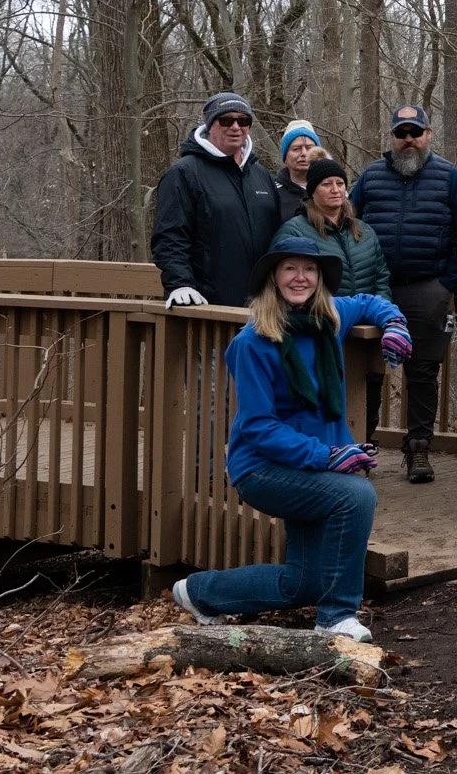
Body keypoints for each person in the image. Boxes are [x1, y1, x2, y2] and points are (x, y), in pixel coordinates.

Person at [170, 235, 412, 642]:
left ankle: (199, 592)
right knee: (356, 495)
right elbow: (258, 427)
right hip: (263, 469)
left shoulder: (329, 319)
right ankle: (336, 617)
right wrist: (328, 456)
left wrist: (395, 325)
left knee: (302, 585)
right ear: (273, 278)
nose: (301, 278)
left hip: (312, 464)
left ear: (320, 278)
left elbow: (371, 301)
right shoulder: (251, 344)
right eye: (290, 269)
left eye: (310, 269)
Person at [349, 104, 457, 481]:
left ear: (429, 134)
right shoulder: (371, 177)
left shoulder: (450, 178)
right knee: (369, 371)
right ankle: (362, 446)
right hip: (376, 289)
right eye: (401, 133)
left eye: (415, 132)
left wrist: (450, 283)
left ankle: (419, 449)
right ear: (392, 137)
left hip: (428, 287)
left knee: (423, 371)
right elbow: (347, 224)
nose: (408, 140)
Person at [152, 92, 282, 309]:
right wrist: (180, 283)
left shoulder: (261, 176)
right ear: (210, 125)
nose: (235, 126)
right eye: (226, 120)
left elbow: (278, 235)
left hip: (262, 306)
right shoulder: (184, 173)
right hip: (206, 304)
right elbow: (169, 236)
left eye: (243, 121)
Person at [273, 157, 392, 300]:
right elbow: (282, 281)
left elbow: (382, 278)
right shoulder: (294, 231)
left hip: (367, 319)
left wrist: (379, 310)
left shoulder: (365, 231)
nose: (335, 190)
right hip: (319, 318)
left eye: (340, 183)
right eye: (327, 184)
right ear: (312, 191)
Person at [275, 120, 321, 221]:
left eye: (309, 148)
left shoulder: (334, 188)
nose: (304, 153)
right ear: (285, 156)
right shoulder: (272, 191)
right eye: (296, 149)